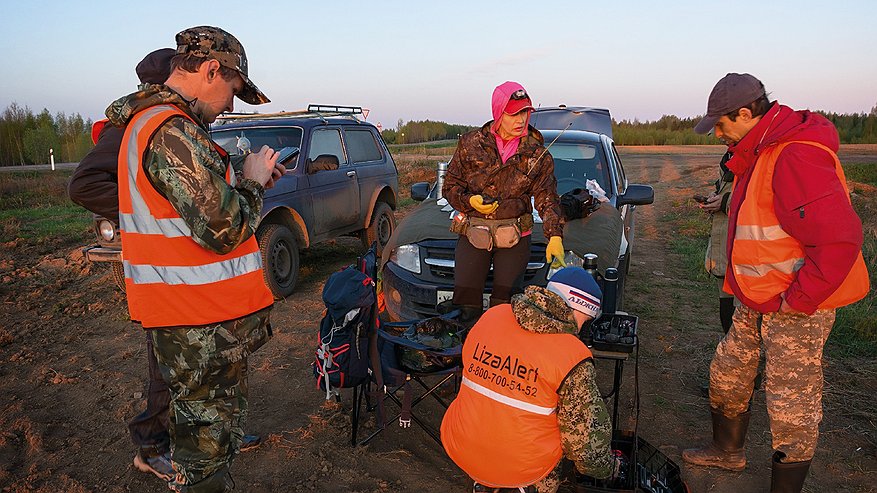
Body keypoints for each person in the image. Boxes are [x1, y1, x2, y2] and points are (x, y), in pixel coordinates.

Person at [67, 48, 262, 482]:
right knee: (169, 366)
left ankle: (207, 437)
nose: (229, 104)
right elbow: (84, 185)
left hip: (193, 283)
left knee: (188, 378)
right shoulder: (151, 126)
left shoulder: (174, 126)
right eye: (229, 90)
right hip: (171, 280)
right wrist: (152, 214)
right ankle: (155, 444)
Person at [105, 26, 283, 492]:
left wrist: (246, 176)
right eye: (232, 91)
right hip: (198, 323)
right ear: (209, 71)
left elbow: (194, 207)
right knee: (204, 453)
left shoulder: (160, 127)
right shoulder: (170, 130)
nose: (229, 105)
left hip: (197, 318)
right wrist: (253, 182)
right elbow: (223, 227)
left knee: (208, 439)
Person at [682, 73, 869, 492]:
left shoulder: (795, 156)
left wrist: (798, 300)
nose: (716, 132)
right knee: (727, 374)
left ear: (745, 114)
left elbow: (839, 240)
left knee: (791, 406)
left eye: (721, 123)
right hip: (759, 298)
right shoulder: (759, 150)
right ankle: (727, 452)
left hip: (798, 305)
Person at [441, 267, 616, 493]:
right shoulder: (572, 355)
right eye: (586, 320)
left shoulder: (492, 316)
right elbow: (587, 446)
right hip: (521, 469)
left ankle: (483, 482)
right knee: (569, 428)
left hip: (460, 445)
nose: (583, 327)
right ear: (579, 310)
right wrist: (608, 469)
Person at [442, 81, 565, 320]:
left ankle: (499, 353)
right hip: (474, 233)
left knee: (506, 308)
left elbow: (547, 197)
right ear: (499, 113)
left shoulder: (537, 154)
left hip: (515, 236)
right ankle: (462, 352)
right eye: (514, 113)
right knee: (464, 305)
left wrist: (555, 235)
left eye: (525, 112)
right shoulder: (470, 144)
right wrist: (470, 202)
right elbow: (450, 186)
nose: (521, 119)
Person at [699, 150, 736, 334]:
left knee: (743, 317)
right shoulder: (730, 155)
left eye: (722, 127)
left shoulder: (760, 154)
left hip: (745, 253)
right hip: (723, 247)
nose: (720, 136)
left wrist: (726, 202)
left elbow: (762, 198)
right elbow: (727, 189)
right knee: (726, 305)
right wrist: (716, 199)